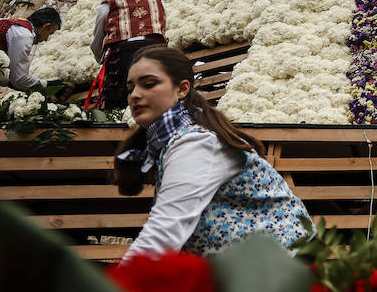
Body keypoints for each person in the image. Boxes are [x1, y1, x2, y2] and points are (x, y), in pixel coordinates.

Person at [114, 45, 308, 260]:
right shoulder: (173, 141)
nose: (135, 95)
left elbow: (164, 230)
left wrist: (113, 288)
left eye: (149, 84)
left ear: (182, 89)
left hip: (282, 268)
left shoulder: (196, 143)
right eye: (130, 88)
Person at [89, 0, 167, 110]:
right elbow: (163, 26)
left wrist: (100, 58)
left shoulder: (109, 3)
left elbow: (98, 36)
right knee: (156, 87)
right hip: (156, 50)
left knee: (120, 96)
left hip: (124, 54)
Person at [0, 6, 64, 92]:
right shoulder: (23, 35)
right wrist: (50, 85)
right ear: (46, 26)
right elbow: (19, 79)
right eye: (49, 34)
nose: (46, 39)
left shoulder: (14, 25)